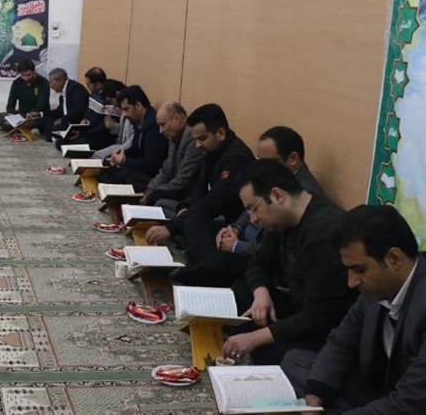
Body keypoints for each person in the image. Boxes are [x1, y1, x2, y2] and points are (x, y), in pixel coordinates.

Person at [281, 205, 425, 414]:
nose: (351, 282)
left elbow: (411, 401)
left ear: (394, 258)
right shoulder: (374, 292)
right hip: (376, 392)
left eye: (359, 269)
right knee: (296, 361)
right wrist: (314, 398)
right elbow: (341, 343)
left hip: (410, 402)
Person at [218, 159, 354, 366]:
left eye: (254, 209)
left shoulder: (323, 232)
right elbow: (257, 263)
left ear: (277, 196)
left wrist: (255, 338)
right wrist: (261, 293)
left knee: (270, 352)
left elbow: (319, 316)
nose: (253, 219)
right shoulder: (281, 221)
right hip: (297, 307)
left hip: (323, 328)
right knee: (240, 290)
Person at [176, 126, 327, 287]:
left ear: (292, 159)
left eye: (267, 162)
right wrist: (236, 228)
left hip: (255, 252)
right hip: (243, 236)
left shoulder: (301, 195)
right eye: (259, 160)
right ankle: (202, 269)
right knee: (195, 221)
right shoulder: (271, 177)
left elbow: (275, 250)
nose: (261, 167)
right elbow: (251, 207)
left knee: (220, 262)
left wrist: (237, 246)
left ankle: (196, 271)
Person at [145, 104, 254, 254]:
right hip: (208, 209)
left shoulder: (237, 158)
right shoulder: (211, 151)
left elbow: (214, 202)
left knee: (193, 222)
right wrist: (185, 207)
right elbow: (199, 191)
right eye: (195, 139)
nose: (197, 145)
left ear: (220, 133)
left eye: (202, 139)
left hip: (228, 221)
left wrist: (171, 227)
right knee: (162, 203)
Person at [97, 85, 168, 191]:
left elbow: (151, 164)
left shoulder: (153, 125)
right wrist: (119, 154)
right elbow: (135, 149)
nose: (124, 114)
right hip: (141, 164)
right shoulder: (138, 120)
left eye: (126, 109)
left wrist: (124, 161)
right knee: (108, 160)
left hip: (152, 173)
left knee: (127, 177)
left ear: (138, 106)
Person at [139, 101, 203, 214]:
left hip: (187, 193)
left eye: (162, 125)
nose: (161, 131)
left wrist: (155, 193)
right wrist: (151, 189)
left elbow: (183, 180)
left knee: (155, 197)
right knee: (136, 180)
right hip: (173, 184)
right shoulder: (174, 135)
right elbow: (166, 169)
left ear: (177, 119)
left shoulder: (192, 137)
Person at [64, 67, 121, 150]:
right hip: (88, 131)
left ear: (98, 85)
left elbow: (106, 126)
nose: (88, 87)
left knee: (71, 148)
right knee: (61, 142)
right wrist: (85, 119)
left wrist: (84, 132)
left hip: (100, 136)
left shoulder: (110, 99)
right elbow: (88, 110)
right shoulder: (94, 94)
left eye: (89, 85)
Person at [0, 59, 49, 132]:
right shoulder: (16, 83)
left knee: (42, 121)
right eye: (23, 75)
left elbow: (41, 105)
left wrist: (32, 115)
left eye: (29, 75)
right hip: (22, 115)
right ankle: (22, 127)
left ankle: (14, 127)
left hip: (36, 116)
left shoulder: (43, 82)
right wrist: (11, 116)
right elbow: (11, 104)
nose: (26, 78)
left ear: (34, 71)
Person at [41, 68, 89, 142]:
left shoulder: (76, 89)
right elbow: (59, 111)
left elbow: (79, 110)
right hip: (66, 120)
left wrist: (62, 119)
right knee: (44, 120)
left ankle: (55, 136)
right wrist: (41, 114)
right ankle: (54, 135)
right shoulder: (63, 91)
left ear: (59, 80)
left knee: (51, 130)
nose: (50, 86)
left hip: (74, 123)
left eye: (50, 83)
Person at [93, 79, 131, 160]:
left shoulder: (130, 110)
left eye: (111, 101)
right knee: (95, 155)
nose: (113, 105)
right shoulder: (123, 109)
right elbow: (125, 131)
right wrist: (113, 126)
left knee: (97, 156)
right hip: (121, 145)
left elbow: (133, 138)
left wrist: (118, 150)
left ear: (117, 94)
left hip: (127, 148)